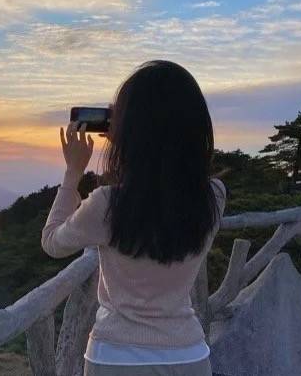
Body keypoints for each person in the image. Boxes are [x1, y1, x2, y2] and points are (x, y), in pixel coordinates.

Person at [42, 60, 226, 376]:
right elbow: (165, 184)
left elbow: (52, 242)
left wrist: (73, 172)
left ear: (130, 128)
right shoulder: (213, 196)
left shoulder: (108, 205)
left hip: (115, 358)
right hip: (188, 356)